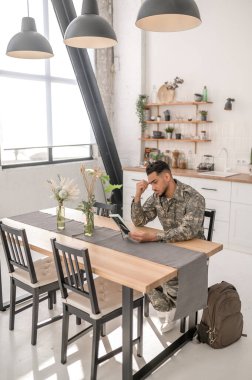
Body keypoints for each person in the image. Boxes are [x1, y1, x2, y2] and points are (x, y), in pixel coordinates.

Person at [129, 160, 205, 333]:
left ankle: (172, 307)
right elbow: (139, 220)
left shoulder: (194, 198)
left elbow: (188, 231)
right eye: (150, 183)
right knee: (139, 264)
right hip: (168, 247)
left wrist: (155, 236)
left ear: (167, 176)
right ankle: (165, 306)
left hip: (192, 252)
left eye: (154, 182)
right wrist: (138, 196)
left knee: (165, 279)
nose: (153, 187)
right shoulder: (157, 196)